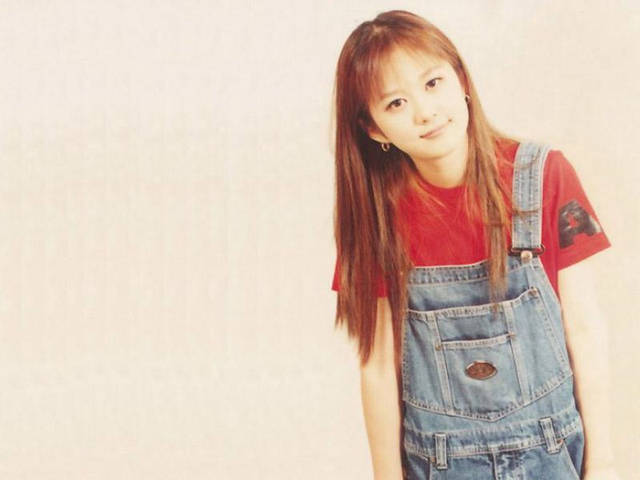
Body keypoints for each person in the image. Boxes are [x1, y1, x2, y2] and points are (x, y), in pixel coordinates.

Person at [330, 10, 619, 480]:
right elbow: (378, 366)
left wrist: (604, 463)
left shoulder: (544, 176)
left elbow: (584, 328)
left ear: (461, 80)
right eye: (396, 103)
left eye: (433, 83)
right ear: (374, 128)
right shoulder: (376, 219)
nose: (425, 112)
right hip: (439, 463)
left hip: (551, 454)